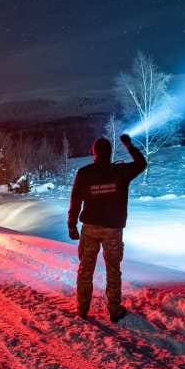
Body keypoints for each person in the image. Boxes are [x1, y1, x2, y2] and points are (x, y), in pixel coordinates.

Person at [68, 133, 146, 322]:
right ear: (110, 152)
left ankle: (82, 309)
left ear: (93, 152)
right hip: (113, 229)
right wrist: (129, 146)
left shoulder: (84, 173)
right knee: (113, 269)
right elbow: (141, 164)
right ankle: (114, 310)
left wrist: (72, 225)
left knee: (85, 269)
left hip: (90, 228)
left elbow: (75, 200)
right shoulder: (120, 171)